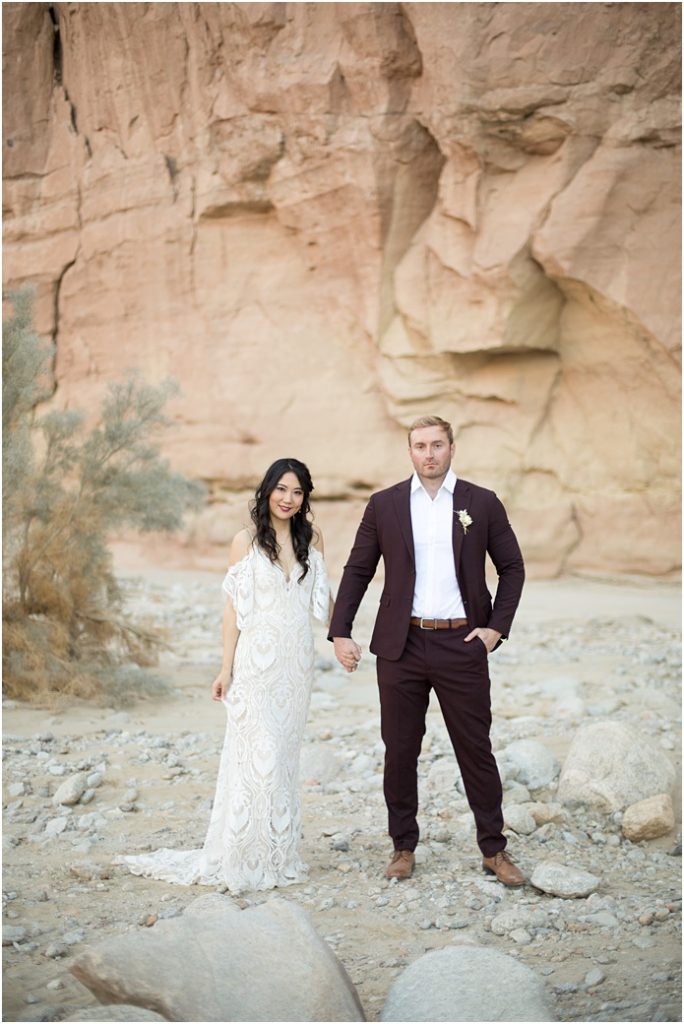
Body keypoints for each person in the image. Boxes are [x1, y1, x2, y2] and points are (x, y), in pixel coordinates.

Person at [117, 458, 331, 893]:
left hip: (295, 665)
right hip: (256, 663)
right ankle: (243, 856)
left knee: (284, 759)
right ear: (267, 490)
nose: (288, 499)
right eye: (281, 490)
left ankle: (278, 853)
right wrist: (225, 667)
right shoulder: (245, 541)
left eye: (297, 492)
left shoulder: (314, 539)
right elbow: (233, 610)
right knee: (258, 755)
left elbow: (322, 602)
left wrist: (342, 639)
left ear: (305, 497)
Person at [329, 416, 526, 886]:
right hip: (402, 645)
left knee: (475, 748)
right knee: (400, 750)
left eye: (437, 444)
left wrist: (495, 629)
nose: (429, 454)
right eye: (420, 446)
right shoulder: (385, 504)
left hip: (462, 643)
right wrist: (341, 631)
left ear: (452, 448)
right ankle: (402, 846)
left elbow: (512, 568)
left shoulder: (482, 502)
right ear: (410, 451)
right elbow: (358, 569)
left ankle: (494, 850)